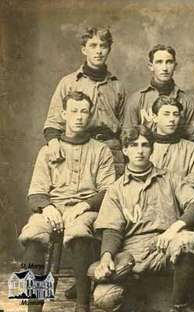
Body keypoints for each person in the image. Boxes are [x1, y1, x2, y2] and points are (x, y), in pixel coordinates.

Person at [92, 126, 194, 312]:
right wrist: (106, 256)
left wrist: (174, 229)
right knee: (104, 298)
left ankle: (178, 305)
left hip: (165, 246)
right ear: (125, 150)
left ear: (152, 149)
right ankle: (140, 300)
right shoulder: (116, 189)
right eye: (134, 145)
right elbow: (111, 229)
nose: (140, 150)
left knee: (188, 240)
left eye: (145, 145)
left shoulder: (170, 178)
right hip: (133, 252)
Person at [19, 91, 116, 312]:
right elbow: (35, 192)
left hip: (86, 209)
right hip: (53, 208)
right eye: (73, 111)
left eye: (84, 111)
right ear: (64, 114)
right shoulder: (47, 151)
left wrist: (84, 206)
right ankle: (33, 306)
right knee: (33, 234)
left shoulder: (101, 151)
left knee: (80, 232)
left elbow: (109, 191)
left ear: (90, 114)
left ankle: (82, 305)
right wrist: (48, 207)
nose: (79, 116)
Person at [43, 27, 126, 176]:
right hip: (79, 148)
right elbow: (53, 122)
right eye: (93, 46)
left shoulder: (117, 85)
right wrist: (53, 143)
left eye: (103, 46)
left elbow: (125, 127)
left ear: (109, 50)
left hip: (112, 151)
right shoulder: (69, 83)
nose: (98, 51)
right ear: (84, 50)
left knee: (113, 197)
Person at [123, 44, 194, 140]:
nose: (165, 68)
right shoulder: (136, 100)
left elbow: (192, 138)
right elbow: (128, 138)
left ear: (175, 66)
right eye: (159, 62)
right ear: (151, 66)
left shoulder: (187, 101)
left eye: (169, 62)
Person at [150, 96, 194, 193]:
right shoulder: (143, 146)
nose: (172, 119)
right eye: (166, 114)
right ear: (155, 117)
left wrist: (170, 186)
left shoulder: (192, 149)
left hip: (180, 202)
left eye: (175, 114)